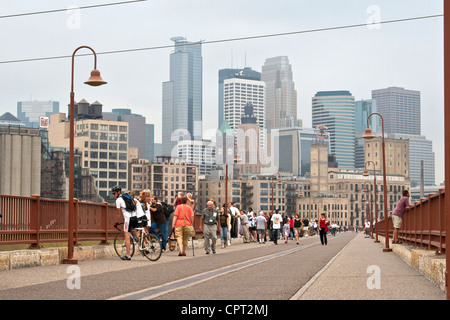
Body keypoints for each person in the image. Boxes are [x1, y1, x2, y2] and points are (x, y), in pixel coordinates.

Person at [112, 186, 137, 260]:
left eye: (114, 193)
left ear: (118, 192)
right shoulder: (127, 197)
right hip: (134, 217)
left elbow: (118, 213)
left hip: (128, 218)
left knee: (127, 237)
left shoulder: (118, 200)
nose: (113, 195)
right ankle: (143, 246)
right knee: (135, 231)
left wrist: (116, 221)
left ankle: (128, 255)